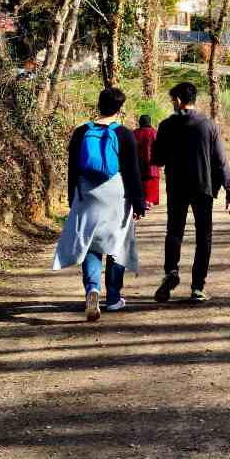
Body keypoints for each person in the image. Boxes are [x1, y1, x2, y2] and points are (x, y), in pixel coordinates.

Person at [53, 86, 145, 321]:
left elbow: (72, 167)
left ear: (98, 105)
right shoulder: (124, 133)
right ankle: (113, 298)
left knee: (91, 244)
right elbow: (133, 171)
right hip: (116, 193)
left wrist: (73, 195)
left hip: (87, 192)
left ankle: (92, 290)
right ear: (119, 108)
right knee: (117, 243)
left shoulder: (82, 131)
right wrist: (138, 202)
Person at [151, 80, 230, 304]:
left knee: (174, 232)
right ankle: (197, 287)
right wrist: (229, 189)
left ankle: (171, 272)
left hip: (176, 188)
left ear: (178, 101)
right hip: (203, 188)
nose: (172, 104)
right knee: (203, 237)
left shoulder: (166, 126)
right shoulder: (209, 125)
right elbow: (220, 160)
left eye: (172, 100)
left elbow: (157, 160)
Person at [133, 114, 161, 207]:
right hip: (152, 165)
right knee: (151, 183)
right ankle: (149, 202)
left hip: (138, 165)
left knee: (140, 183)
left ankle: (141, 202)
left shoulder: (134, 133)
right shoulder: (154, 133)